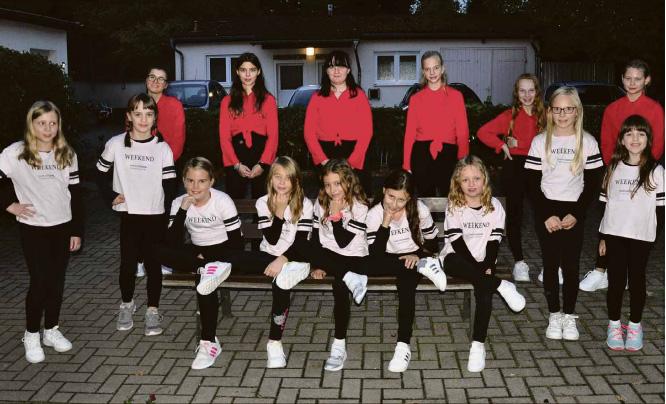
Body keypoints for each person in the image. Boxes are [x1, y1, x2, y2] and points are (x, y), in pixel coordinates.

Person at [0, 100, 83, 363]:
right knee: (40, 282)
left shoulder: (67, 153)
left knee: (56, 282)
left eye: (52, 123)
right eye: (41, 123)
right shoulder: (15, 153)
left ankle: (51, 330)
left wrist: (76, 230)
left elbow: (76, 194)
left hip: (62, 226)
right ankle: (31, 334)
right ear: (31, 124)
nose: (47, 129)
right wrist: (9, 205)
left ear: (59, 125)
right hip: (34, 228)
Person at [426, 156, 525, 372]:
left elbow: (494, 241)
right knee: (458, 264)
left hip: (484, 259)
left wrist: (487, 264)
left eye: (476, 178)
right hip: (457, 258)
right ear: (458, 183)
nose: (471, 184)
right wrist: (481, 269)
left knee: (483, 291)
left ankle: (478, 345)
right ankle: (501, 285)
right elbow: (457, 242)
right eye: (465, 180)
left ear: (485, 179)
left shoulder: (494, 206)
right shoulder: (455, 205)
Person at [525, 87, 603, 342]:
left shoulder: (588, 141)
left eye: (568, 109)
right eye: (557, 109)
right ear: (549, 111)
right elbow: (531, 183)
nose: (562, 114)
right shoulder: (540, 141)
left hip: (573, 210)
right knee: (550, 264)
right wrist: (546, 214)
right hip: (546, 210)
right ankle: (554, 314)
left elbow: (592, 184)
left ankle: (569, 316)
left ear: (577, 111)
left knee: (570, 266)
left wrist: (577, 214)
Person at [96, 93, 178, 337]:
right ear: (129, 116)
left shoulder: (162, 148)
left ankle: (152, 309)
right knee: (128, 264)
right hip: (129, 214)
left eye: (149, 114)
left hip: (154, 214)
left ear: (155, 118)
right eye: (138, 113)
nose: (143, 119)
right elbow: (99, 174)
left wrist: (167, 216)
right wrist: (110, 195)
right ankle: (126, 304)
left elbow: (170, 185)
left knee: (153, 264)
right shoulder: (116, 143)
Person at [581, 59, 665, 292]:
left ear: (647, 80)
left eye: (638, 79)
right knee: (609, 218)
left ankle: (629, 272)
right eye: (628, 78)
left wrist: (641, 168)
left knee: (638, 222)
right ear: (622, 79)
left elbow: (658, 143)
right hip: (617, 171)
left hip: (644, 172)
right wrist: (614, 169)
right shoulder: (613, 109)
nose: (632, 83)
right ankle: (601, 270)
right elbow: (607, 141)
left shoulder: (655, 109)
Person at [364, 169, 447, 372]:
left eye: (401, 200)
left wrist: (418, 255)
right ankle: (425, 265)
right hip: (387, 259)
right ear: (383, 191)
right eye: (390, 196)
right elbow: (375, 255)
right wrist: (385, 221)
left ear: (409, 198)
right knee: (365, 264)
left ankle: (403, 346)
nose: (394, 204)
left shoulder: (419, 210)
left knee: (406, 284)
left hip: (415, 256)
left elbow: (433, 244)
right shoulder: (374, 214)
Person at [599, 115, 663, 351]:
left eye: (641, 133)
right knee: (616, 281)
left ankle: (635, 325)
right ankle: (614, 325)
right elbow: (605, 206)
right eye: (629, 134)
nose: (635, 139)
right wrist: (603, 237)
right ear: (622, 140)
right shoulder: (612, 168)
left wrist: (652, 237)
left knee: (637, 281)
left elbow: (661, 210)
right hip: (615, 234)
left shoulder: (656, 171)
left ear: (648, 139)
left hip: (641, 237)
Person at [477, 73, 546, 282]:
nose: (527, 95)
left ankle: (550, 265)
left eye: (531, 90)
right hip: (514, 167)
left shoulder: (546, 116)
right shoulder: (509, 116)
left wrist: (521, 144)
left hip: (539, 168)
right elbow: (483, 132)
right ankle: (519, 263)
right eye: (522, 91)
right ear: (517, 93)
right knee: (515, 217)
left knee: (544, 216)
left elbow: (553, 140)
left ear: (537, 92)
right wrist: (501, 144)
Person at [309, 159, 370, 371]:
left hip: (354, 257)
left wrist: (336, 217)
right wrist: (318, 265)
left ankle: (339, 345)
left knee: (339, 287)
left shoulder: (359, 206)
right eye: (327, 185)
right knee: (306, 249)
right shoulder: (320, 203)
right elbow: (315, 238)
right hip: (329, 256)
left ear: (348, 182)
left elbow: (343, 242)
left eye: (337, 183)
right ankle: (351, 278)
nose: (332, 190)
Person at [257, 156, 314, 369]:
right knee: (236, 258)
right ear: (270, 179)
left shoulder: (305, 204)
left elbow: (301, 243)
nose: (281, 182)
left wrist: (282, 259)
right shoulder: (263, 202)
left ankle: (274, 342)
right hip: (269, 256)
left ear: (296, 181)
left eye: (287, 178)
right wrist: (279, 211)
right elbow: (271, 240)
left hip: (295, 257)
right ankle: (217, 268)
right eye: (277, 177)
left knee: (281, 282)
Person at [304, 50, 373, 193]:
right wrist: (323, 161)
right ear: (326, 71)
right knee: (330, 198)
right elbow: (309, 133)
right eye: (331, 66)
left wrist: (352, 162)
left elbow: (366, 132)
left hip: (355, 153)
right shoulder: (316, 98)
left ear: (348, 70)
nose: (336, 70)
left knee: (356, 197)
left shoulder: (359, 96)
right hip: (325, 154)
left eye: (341, 66)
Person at [403, 50, 469, 197]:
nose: (432, 72)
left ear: (442, 68)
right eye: (428, 69)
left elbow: (462, 131)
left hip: (448, 153)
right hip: (422, 154)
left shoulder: (456, 96)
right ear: (423, 72)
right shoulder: (416, 99)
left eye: (436, 68)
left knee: (451, 198)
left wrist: (463, 161)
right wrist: (406, 163)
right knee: (425, 200)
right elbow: (410, 133)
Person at [219, 53, 278, 199]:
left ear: (258, 72)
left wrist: (263, 164)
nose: (247, 74)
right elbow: (224, 137)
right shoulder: (227, 102)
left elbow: (273, 136)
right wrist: (236, 164)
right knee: (234, 203)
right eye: (243, 70)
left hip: (261, 154)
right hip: (235, 155)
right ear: (237, 72)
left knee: (263, 203)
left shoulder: (268, 100)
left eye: (252, 70)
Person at [146, 67, 186, 162]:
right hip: (139, 160)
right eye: (152, 77)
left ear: (165, 85)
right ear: (146, 80)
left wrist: (167, 161)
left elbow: (179, 139)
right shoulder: (137, 103)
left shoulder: (175, 105)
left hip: (165, 161)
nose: (155, 81)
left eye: (161, 79)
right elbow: (129, 132)